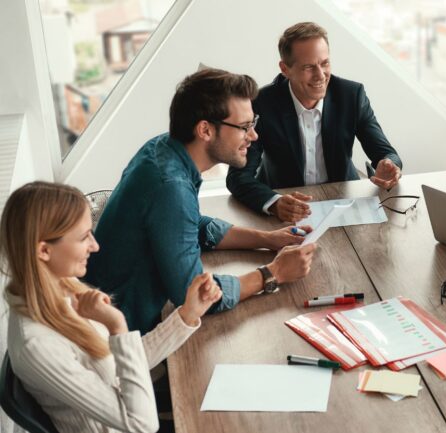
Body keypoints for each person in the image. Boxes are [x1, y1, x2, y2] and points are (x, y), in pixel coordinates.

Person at [84, 68, 316, 335]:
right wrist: (273, 274)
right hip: (127, 335)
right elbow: (195, 294)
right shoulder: (170, 187)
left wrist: (266, 239)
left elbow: (189, 224)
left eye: (253, 124)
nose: (253, 136)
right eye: (244, 127)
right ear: (205, 129)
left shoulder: (162, 149)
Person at [2, 181, 221, 432]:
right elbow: (142, 424)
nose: (95, 246)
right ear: (43, 250)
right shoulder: (38, 346)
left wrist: (188, 314)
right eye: (84, 237)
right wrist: (117, 325)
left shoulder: (62, 287)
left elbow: (123, 365)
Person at [226, 22, 403, 223]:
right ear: (285, 69)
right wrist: (274, 202)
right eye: (309, 67)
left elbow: (387, 154)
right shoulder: (262, 103)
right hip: (286, 206)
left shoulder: (351, 95)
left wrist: (389, 166)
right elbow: (238, 177)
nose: (320, 75)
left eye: (325, 63)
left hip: (344, 202)